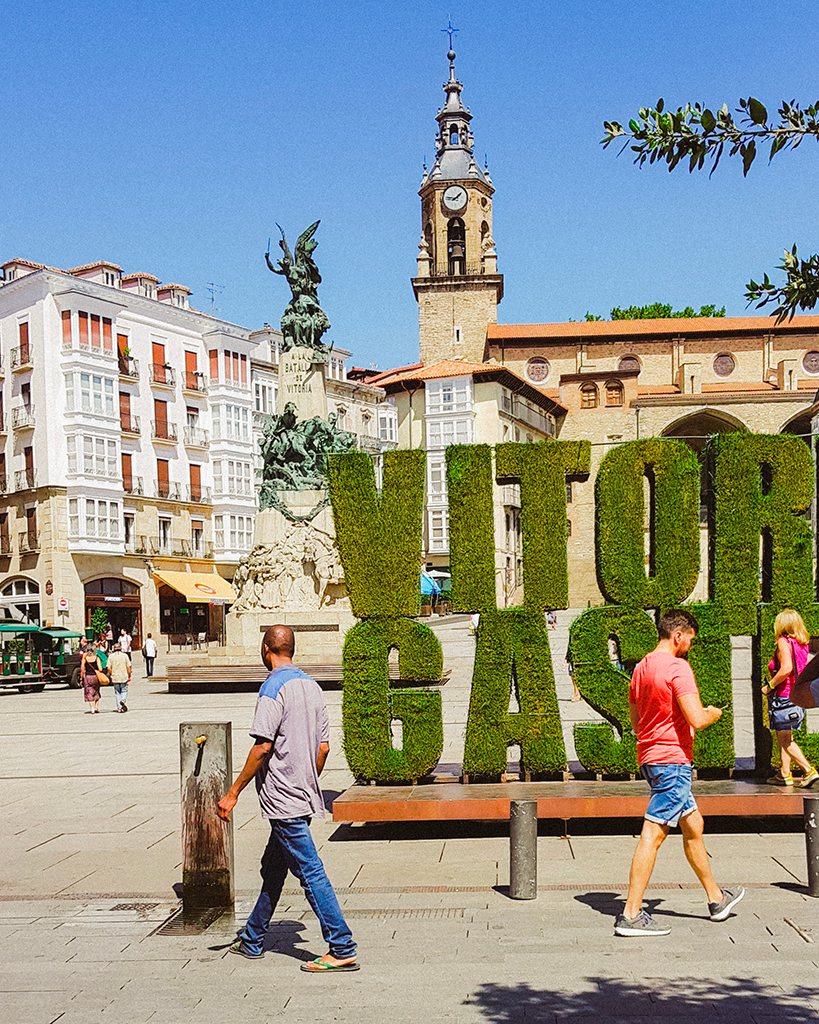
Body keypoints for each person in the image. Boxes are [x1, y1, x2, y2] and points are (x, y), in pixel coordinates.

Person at [217, 624, 358, 972]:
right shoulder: (312, 687)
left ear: (267, 649)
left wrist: (232, 793)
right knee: (274, 868)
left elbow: (262, 746)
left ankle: (341, 945)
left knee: (310, 871)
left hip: (283, 799)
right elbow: (323, 747)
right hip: (304, 794)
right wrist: (308, 779)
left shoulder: (272, 688)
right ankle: (252, 938)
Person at [614, 609, 745, 937]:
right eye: (689, 640)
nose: (689, 646)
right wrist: (712, 714)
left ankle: (716, 899)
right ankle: (630, 914)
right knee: (654, 834)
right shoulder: (677, 667)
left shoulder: (641, 668)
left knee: (694, 824)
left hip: (651, 757)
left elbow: (634, 721)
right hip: (673, 761)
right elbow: (697, 719)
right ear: (678, 635)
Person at [763, 610, 818, 788]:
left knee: (786, 740)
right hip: (796, 696)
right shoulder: (802, 644)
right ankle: (785, 774)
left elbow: (786, 668)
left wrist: (769, 685)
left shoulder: (783, 642)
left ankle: (809, 770)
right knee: (785, 734)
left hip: (783, 696)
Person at [107, 645, 132, 712]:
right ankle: (123, 700)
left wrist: (111, 673)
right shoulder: (124, 656)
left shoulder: (111, 656)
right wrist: (129, 675)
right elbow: (128, 667)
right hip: (123, 675)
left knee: (117, 692)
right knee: (124, 690)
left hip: (115, 676)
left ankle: (119, 708)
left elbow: (108, 667)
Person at [81, 641, 103, 714]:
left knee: (89, 692)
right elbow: (100, 669)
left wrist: (81, 678)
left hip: (88, 676)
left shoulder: (85, 658)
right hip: (95, 677)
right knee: (96, 691)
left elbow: (82, 669)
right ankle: (96, 707)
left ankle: (92, 708)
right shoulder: (96, 658)